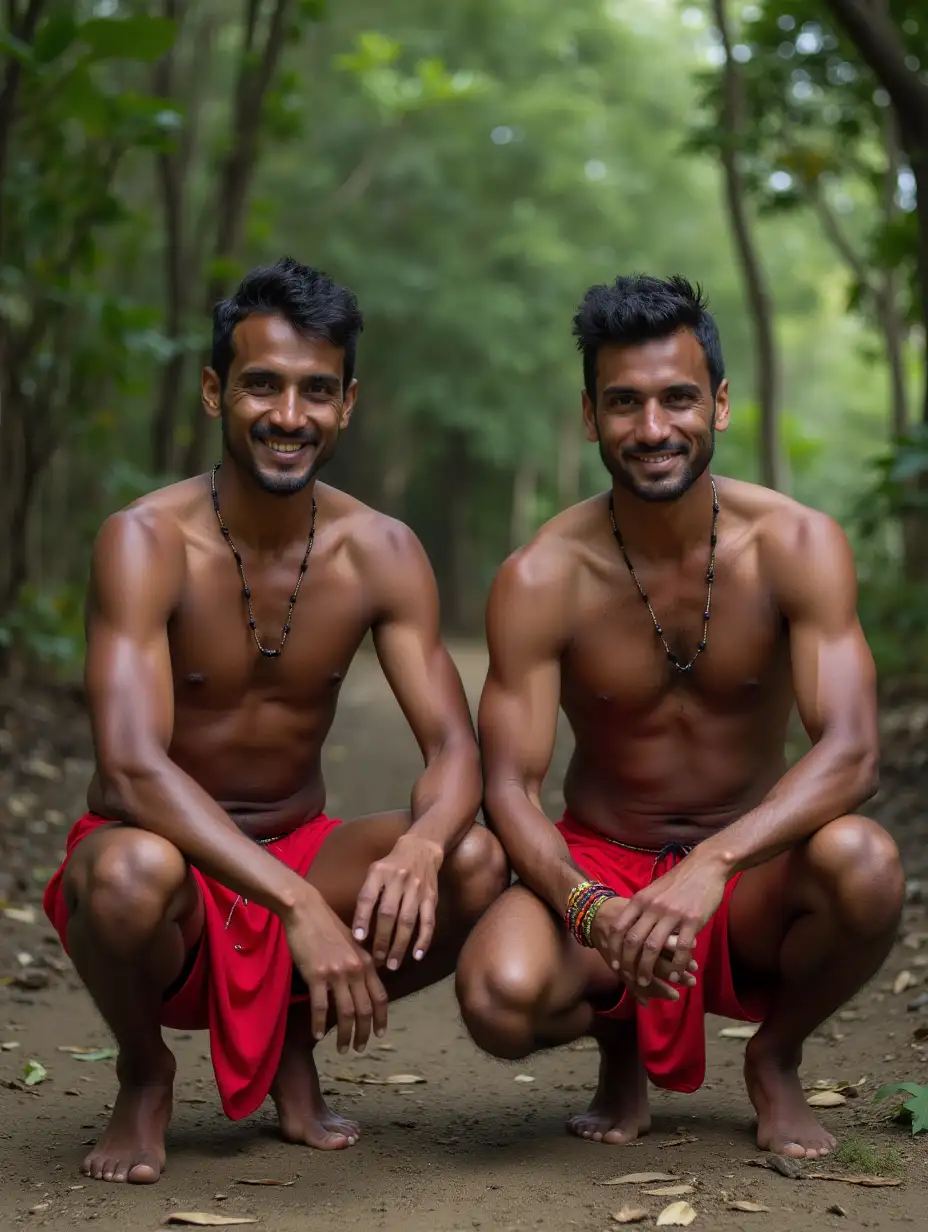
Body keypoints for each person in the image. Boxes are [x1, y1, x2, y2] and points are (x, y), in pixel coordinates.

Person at [43, 257, 507, 1185]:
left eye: (315, 392)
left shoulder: (381, 550)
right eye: (262, 384)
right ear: (217, 390)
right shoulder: (144, 541)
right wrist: (294, 905)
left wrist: (418, 848)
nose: (289, 416)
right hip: (162, 860)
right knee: (132, 874)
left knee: (473, 858)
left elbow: (456, 747)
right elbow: (132, 766)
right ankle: (144, 1073)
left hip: (300, 843)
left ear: (348, 404)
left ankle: (292, 1035)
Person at [455, 274, 904, 1160]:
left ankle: (774, 1059)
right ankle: (616, 1041)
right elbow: (508, 785)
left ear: (721, 405)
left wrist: (712, 863)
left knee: (866, 862)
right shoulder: (543, 575)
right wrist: (591, 909)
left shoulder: (797, 545)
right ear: (590, 417)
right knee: (498, 998)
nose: (653, 429)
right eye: (624, 403)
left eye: (677, 399)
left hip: (748, 875)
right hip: (601, 862)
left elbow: (851, 753)